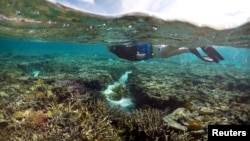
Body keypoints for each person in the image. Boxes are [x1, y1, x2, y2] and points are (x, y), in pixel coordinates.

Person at [109, 43, 224, 63]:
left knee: (167, 50)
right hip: (152, 52)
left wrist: (136, 56)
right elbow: (131, 54)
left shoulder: (119, 50)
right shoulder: (118, 50)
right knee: (166, 55)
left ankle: (193, 44)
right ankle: (190, 49)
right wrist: (136, 56)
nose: (107, 48)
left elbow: (131, 54)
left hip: (152, 51)